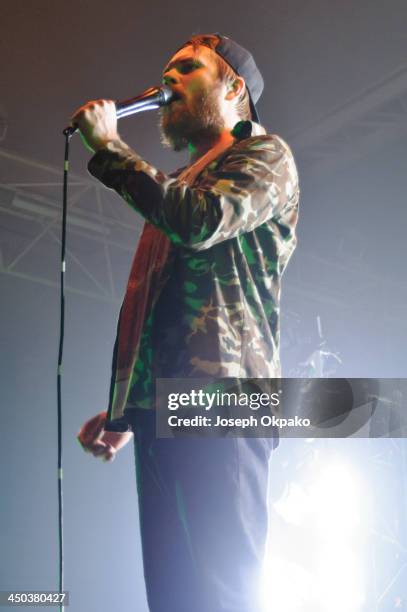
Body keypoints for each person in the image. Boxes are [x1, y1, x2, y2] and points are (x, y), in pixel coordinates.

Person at [74, 33, 299, 612]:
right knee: (174, 598)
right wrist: (131, 402)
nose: (167, 77)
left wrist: (110, 148)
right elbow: (162, 300)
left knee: (221, 591)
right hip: (162, 406)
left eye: (187, 67)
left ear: (233, 87)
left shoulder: (264, 154)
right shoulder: (181, 180)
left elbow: (202, 223)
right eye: (165, 68)